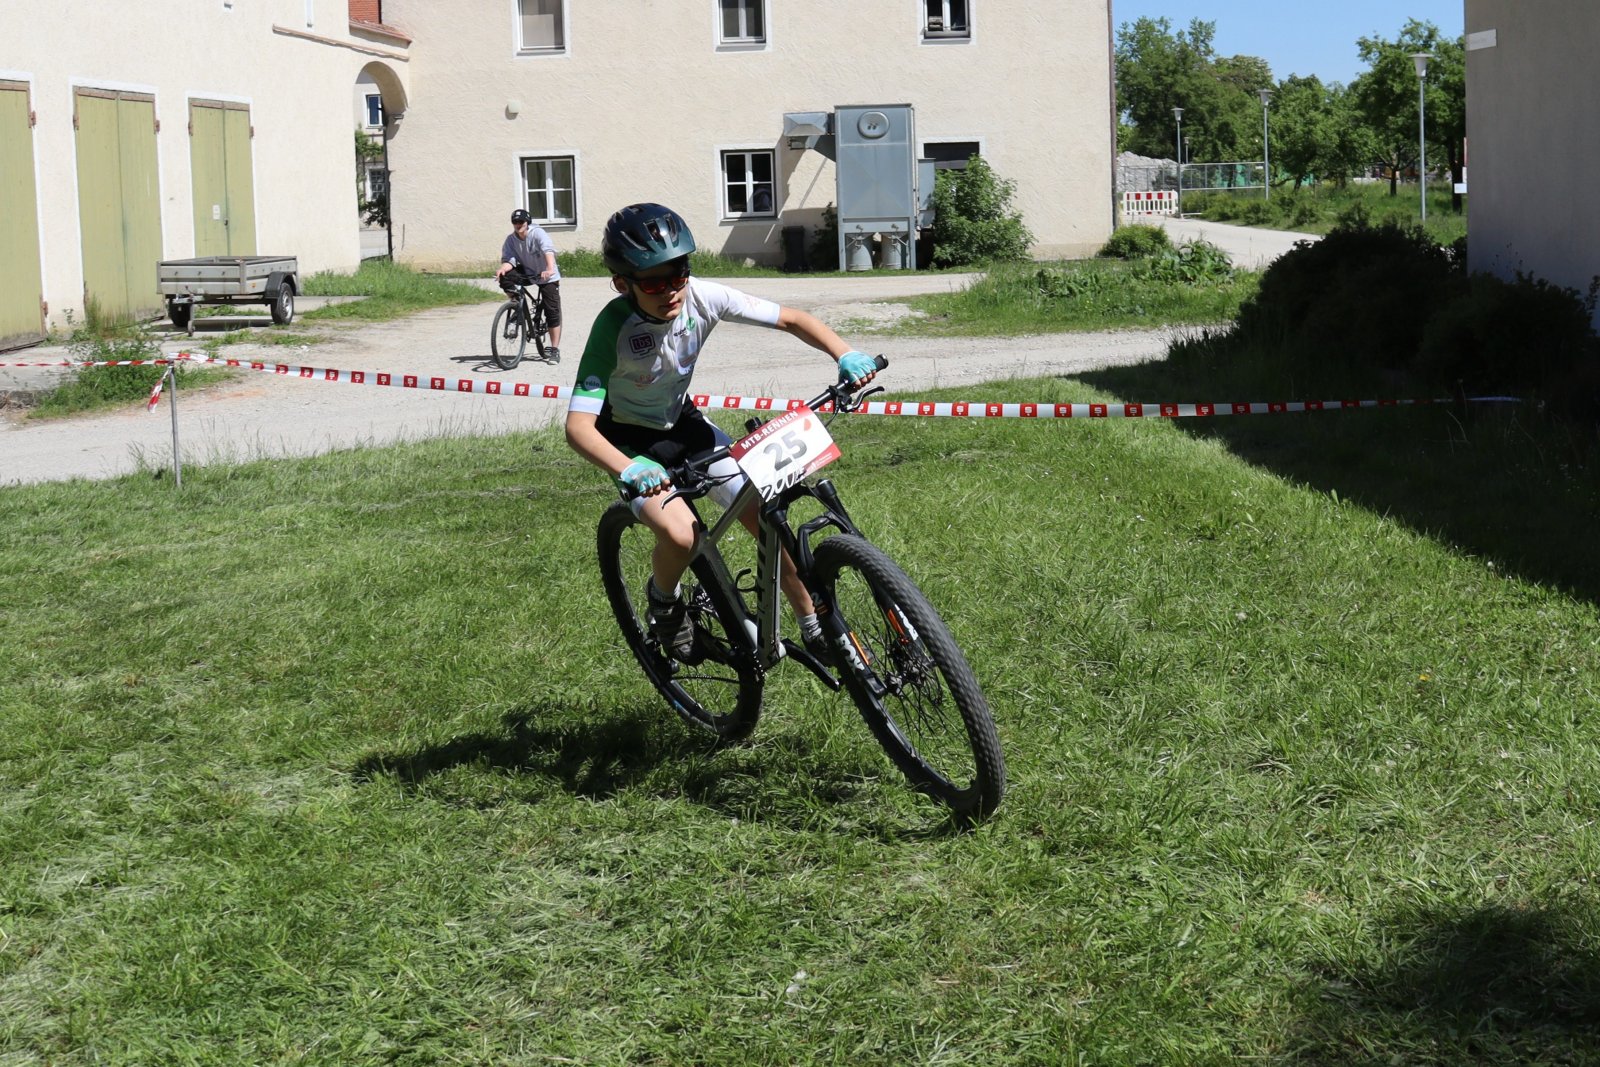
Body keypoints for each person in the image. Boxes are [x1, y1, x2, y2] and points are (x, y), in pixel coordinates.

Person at [564, 202, 878, 662]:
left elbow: (792, 319)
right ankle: (664, 602)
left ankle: (813, 623)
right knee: (683, 536)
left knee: (764, 512)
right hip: (628, 442)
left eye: (678, 274)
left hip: (683, 423)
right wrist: (627, 468)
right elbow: (578, 427)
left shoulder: (703, 296)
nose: (670, 291)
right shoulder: (612, 327)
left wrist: (844, 353)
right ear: (622, 284)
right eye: (653, 282)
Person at [494, 208, 563, 362]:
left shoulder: (537, 233)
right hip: (529, 272)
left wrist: (549, 269)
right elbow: (509, 260)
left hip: (546, 275)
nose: (518, 224)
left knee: (552, 311)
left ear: (527, 222)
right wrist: (502, 269)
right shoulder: (511, 240)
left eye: (521, 222)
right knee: (505, 277)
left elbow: (548, 250)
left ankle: (554, 349)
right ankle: (516, 306)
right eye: (515, 222)